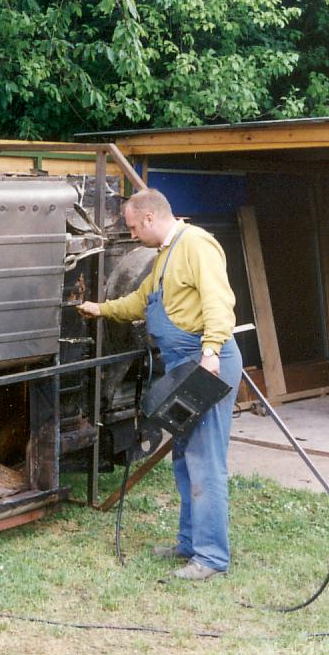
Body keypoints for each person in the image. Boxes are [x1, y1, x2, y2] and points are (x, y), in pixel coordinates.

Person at [78, 188, 242, 581]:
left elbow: (219, 301)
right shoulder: (164, 256)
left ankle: (211, 558)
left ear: (149, 218)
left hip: (205, 363)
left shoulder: (197, 245)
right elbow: (139, 302)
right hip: (181, 364)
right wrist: (100, 309)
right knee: (184, 457)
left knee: (206, 461)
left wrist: (212, 352)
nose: (132, 235)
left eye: (133, 227)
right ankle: (189, 544)